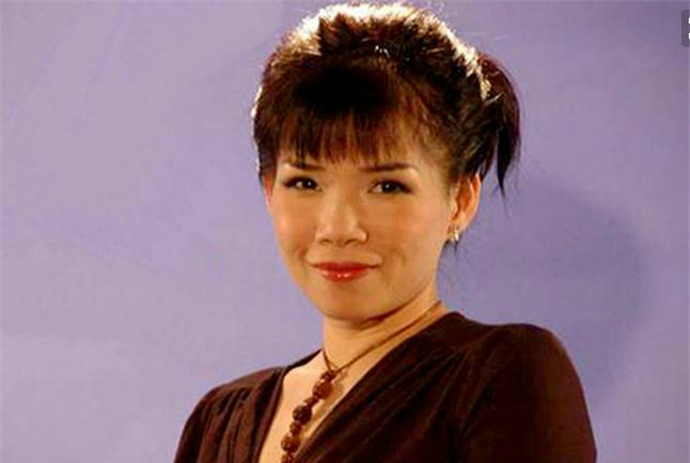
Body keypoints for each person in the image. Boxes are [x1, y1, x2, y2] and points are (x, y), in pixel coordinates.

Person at [172, 2, 597, 462]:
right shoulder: (219, 419)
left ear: (461, 199)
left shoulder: (502, 374)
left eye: (387, 186)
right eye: (306, 183)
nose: (338, 228)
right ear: (269, 191)